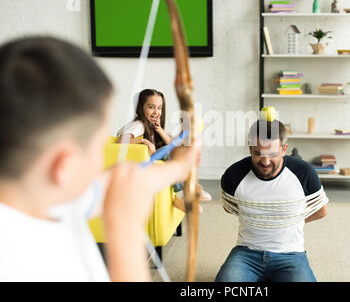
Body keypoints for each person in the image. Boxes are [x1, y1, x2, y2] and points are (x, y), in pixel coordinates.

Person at [0, 36, 201, 281]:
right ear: (65, 163)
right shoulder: (36, 263)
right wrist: (125, 228)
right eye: (96, 147)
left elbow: (104, 187)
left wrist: (179, 167)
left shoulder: (46, 195)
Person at [215, 119, 327, 282]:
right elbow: (229, 207)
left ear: (284, 149)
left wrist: (289, 220)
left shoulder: (304, 173)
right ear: (250, 147)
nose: (265, 162)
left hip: (291, 255)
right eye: (259, 153)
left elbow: (320, 211)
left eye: (272, 154)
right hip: (246, 253)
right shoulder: (234, 175)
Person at [117, 88, 172, 155]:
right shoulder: (139, 125)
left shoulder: (151, 125)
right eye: (151, 107)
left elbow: (172, 144)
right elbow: (120, 141)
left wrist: (159, 129)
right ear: (141, 107)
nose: (156, 112)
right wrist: (143, 141)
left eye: (159, 108)